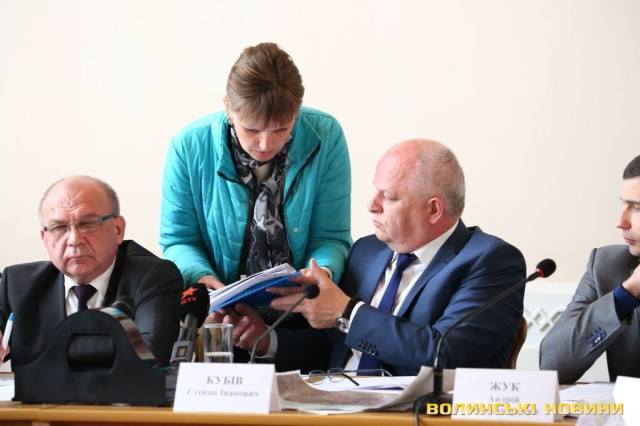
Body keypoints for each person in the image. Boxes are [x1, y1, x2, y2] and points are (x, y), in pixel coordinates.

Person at [216, 138, 527, 376]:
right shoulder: (366, 252)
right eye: (376, 191)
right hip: (332, 408)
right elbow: (331, 350)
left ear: (434, 209)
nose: (372, 205)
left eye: (388, 197)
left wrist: (347, 311)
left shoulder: (490, 261)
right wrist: (266, 340)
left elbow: (446, 353)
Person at [160, 42, 352, 292]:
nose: (265, 144)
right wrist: (201, 278)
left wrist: (321, 273)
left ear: (297, 112)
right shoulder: (188, 147)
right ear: (228, 108)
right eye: (251, 129)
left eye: (281, 129)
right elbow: (179, 240)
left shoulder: (326, 136)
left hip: (304, 301)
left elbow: (330, 236)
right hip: (220, 304)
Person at [0, 176, 183, 369]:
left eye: (87, 223)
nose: (74, 239)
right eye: (59, 227)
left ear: (118, 229)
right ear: (45, 239)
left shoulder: (154, 277)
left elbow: (151, 354)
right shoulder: (17, 285)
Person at [539, 155, 640, 383]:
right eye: (623, 204)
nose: (620, 222)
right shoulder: (607, 266)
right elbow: (552, 364)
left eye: (637, 208)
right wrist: (626, 294)